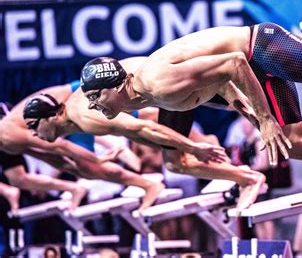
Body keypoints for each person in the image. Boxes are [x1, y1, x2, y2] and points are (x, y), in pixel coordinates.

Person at [80, 22, 302, 211]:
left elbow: (234, 63)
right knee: (294, 145)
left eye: (95, 97)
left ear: (115, 84)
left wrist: (266, 121)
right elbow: (219, 80)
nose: (94, 106)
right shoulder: (148, 93)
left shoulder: (157, 82)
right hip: (252, 71)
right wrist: (250, 111)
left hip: (261, 47)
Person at [25, 79, 266, 211]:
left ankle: (246, 175)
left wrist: (194, 147)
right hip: (159, 99)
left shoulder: (83, 115)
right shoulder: (73, 123)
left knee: (173, 156)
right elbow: (67, 152)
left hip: (166, 95)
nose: (33, 134)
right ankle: (241, 172)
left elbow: (147, 128)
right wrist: (103, 157)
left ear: (51, 116)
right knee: (173, 159)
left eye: (34, 126)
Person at [0, 84, 164, 212]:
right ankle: (148, 185)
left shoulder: (7, 135)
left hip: (74, 99)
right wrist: (74, 174)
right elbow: (49, 157)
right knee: (85, 169)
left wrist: (97, 159)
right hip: (60, 118)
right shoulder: (6, 144)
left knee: (143, 118)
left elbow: (60, 146)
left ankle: (151, 183)